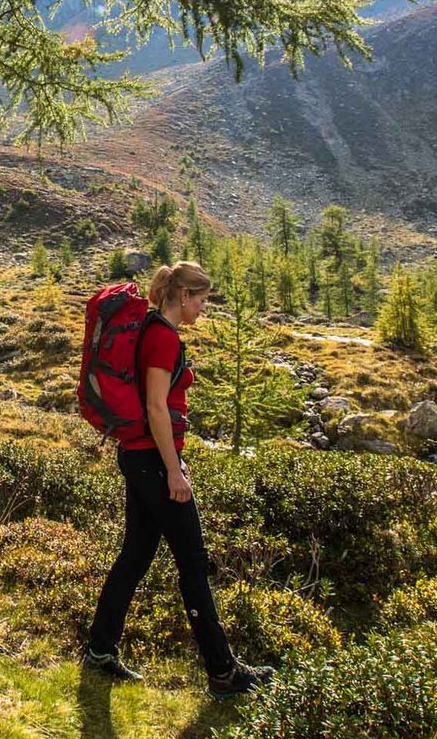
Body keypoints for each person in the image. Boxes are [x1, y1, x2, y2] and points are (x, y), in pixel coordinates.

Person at [82, 261, 275, 699]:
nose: (204, 309)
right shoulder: (163, 337)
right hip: (153, 463)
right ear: (183, 296)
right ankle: (223, 672)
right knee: (193, 563)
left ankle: (99, 649)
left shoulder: (151, 329)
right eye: (202, 300)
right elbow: (154, 408)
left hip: (139, 457)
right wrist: (174, 469)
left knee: (135, 554)